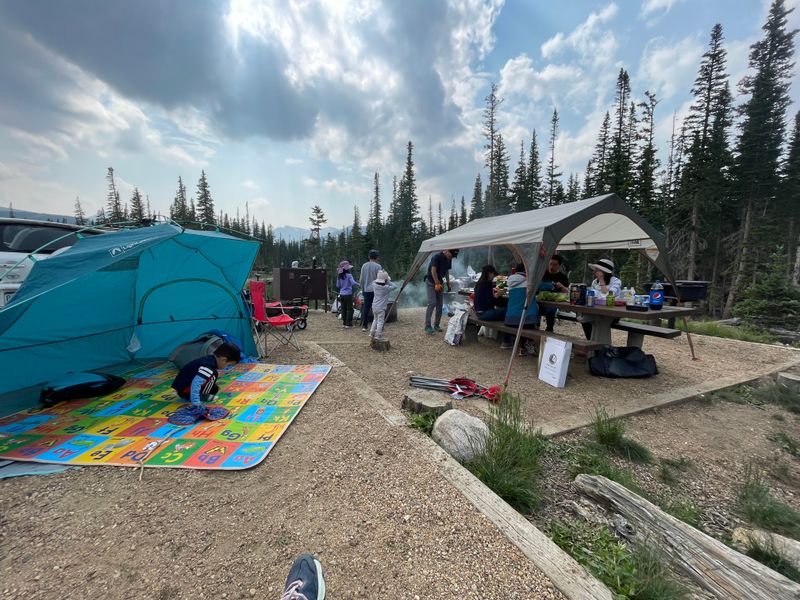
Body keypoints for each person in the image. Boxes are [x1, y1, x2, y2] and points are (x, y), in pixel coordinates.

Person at [169, 343, 241, 422]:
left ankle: (199, 395)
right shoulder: (209, 368)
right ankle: (201, 396)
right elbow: (196, 383)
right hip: (184, 391)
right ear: (223, 360)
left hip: (183, 387)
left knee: (214, 386)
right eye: (228, 365)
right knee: (212, 376)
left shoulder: (209, 359)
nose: (227, 367)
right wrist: (196, 403)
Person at [503, 262, 554, 355]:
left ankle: (513, 343)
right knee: (532, 317)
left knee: (526, 316)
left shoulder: (510, 282)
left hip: (510, 319)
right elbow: (544, 286)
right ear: (526, 270)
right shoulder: (529, 281)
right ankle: (527, 345)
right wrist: (553, 285)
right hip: (525, 319)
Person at [582, 257, 622, 340]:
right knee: (584, 318)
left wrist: (601, 280)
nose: (595, 271)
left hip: (612, 312)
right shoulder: (594, 282)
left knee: (593, 320)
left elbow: (608, 296)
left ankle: (599, 346)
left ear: (604, 272)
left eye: (597, 270)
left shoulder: (616, 281)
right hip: (597, 311)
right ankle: (591, 343)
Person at [424, 248, 459, 334]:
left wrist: (448, 283)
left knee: (440, 304)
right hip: (431, 282)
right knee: (432, 303)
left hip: (440, 282)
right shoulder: (437, 257)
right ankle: (427, 326)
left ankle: (436, 325)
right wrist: (436, 282)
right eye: (451, 255)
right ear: (447, 251)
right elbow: (433, 270)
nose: (452, 258)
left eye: (453, 257)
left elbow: (446, 271)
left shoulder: (448, 259)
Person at [540, 254, 570, 332]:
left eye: (554, 265)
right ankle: (534, 329)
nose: (551, 267)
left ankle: (549, 330)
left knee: (550, 309)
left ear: (559, 266)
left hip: (554, 303)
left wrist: (561, 287)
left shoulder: (563, 277)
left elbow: (567, 292)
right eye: (550, 264)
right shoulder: (542, 274)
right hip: (540, 300)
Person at [359, 249, 382, 332]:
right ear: (377, 257)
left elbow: (361, 279)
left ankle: (364, 326)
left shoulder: (364, 265)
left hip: (366, 290)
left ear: (369, 257)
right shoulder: (378, 266)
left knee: (366, 307)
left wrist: (362, 288)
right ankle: (377, 326)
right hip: (375, 290)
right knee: (377, 307)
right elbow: (380, 279)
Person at [370, 269, 396, 341]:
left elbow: (373, 281)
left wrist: (381, 276)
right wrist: (388, 281)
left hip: (374, 306)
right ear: (385, 281)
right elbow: (395, 286)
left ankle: (372, 332)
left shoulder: (374, 285)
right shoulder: (386, 288)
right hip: (381, 308)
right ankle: (378, 335)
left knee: (375, 320)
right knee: (380, 321)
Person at [336, 260, 359, 328]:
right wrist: (359, 284)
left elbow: (338, 286)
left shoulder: (339, 276)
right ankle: (348, 324)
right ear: (347, 269)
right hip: (348, 294)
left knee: (343, 309)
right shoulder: (349, 275)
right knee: (350, 309)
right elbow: (353, 283)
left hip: (341, 294)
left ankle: (344, 323)